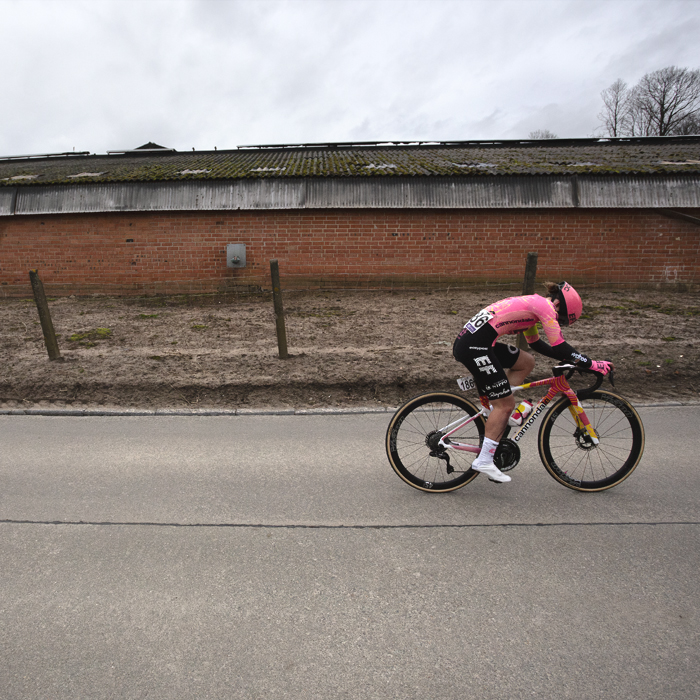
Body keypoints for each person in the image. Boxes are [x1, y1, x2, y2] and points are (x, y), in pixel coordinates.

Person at [452, 281, 613, 484]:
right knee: (506, 405)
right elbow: (560, 345)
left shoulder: (535, 306)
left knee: (526, 362)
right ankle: (484, 459)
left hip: (475, 343)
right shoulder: (545, 308)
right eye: (561, 320)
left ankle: (498, 407)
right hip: (475, 347)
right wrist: (592, 364)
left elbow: (535, 344)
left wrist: (567, 360)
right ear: (559, 305)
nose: (558, 322)